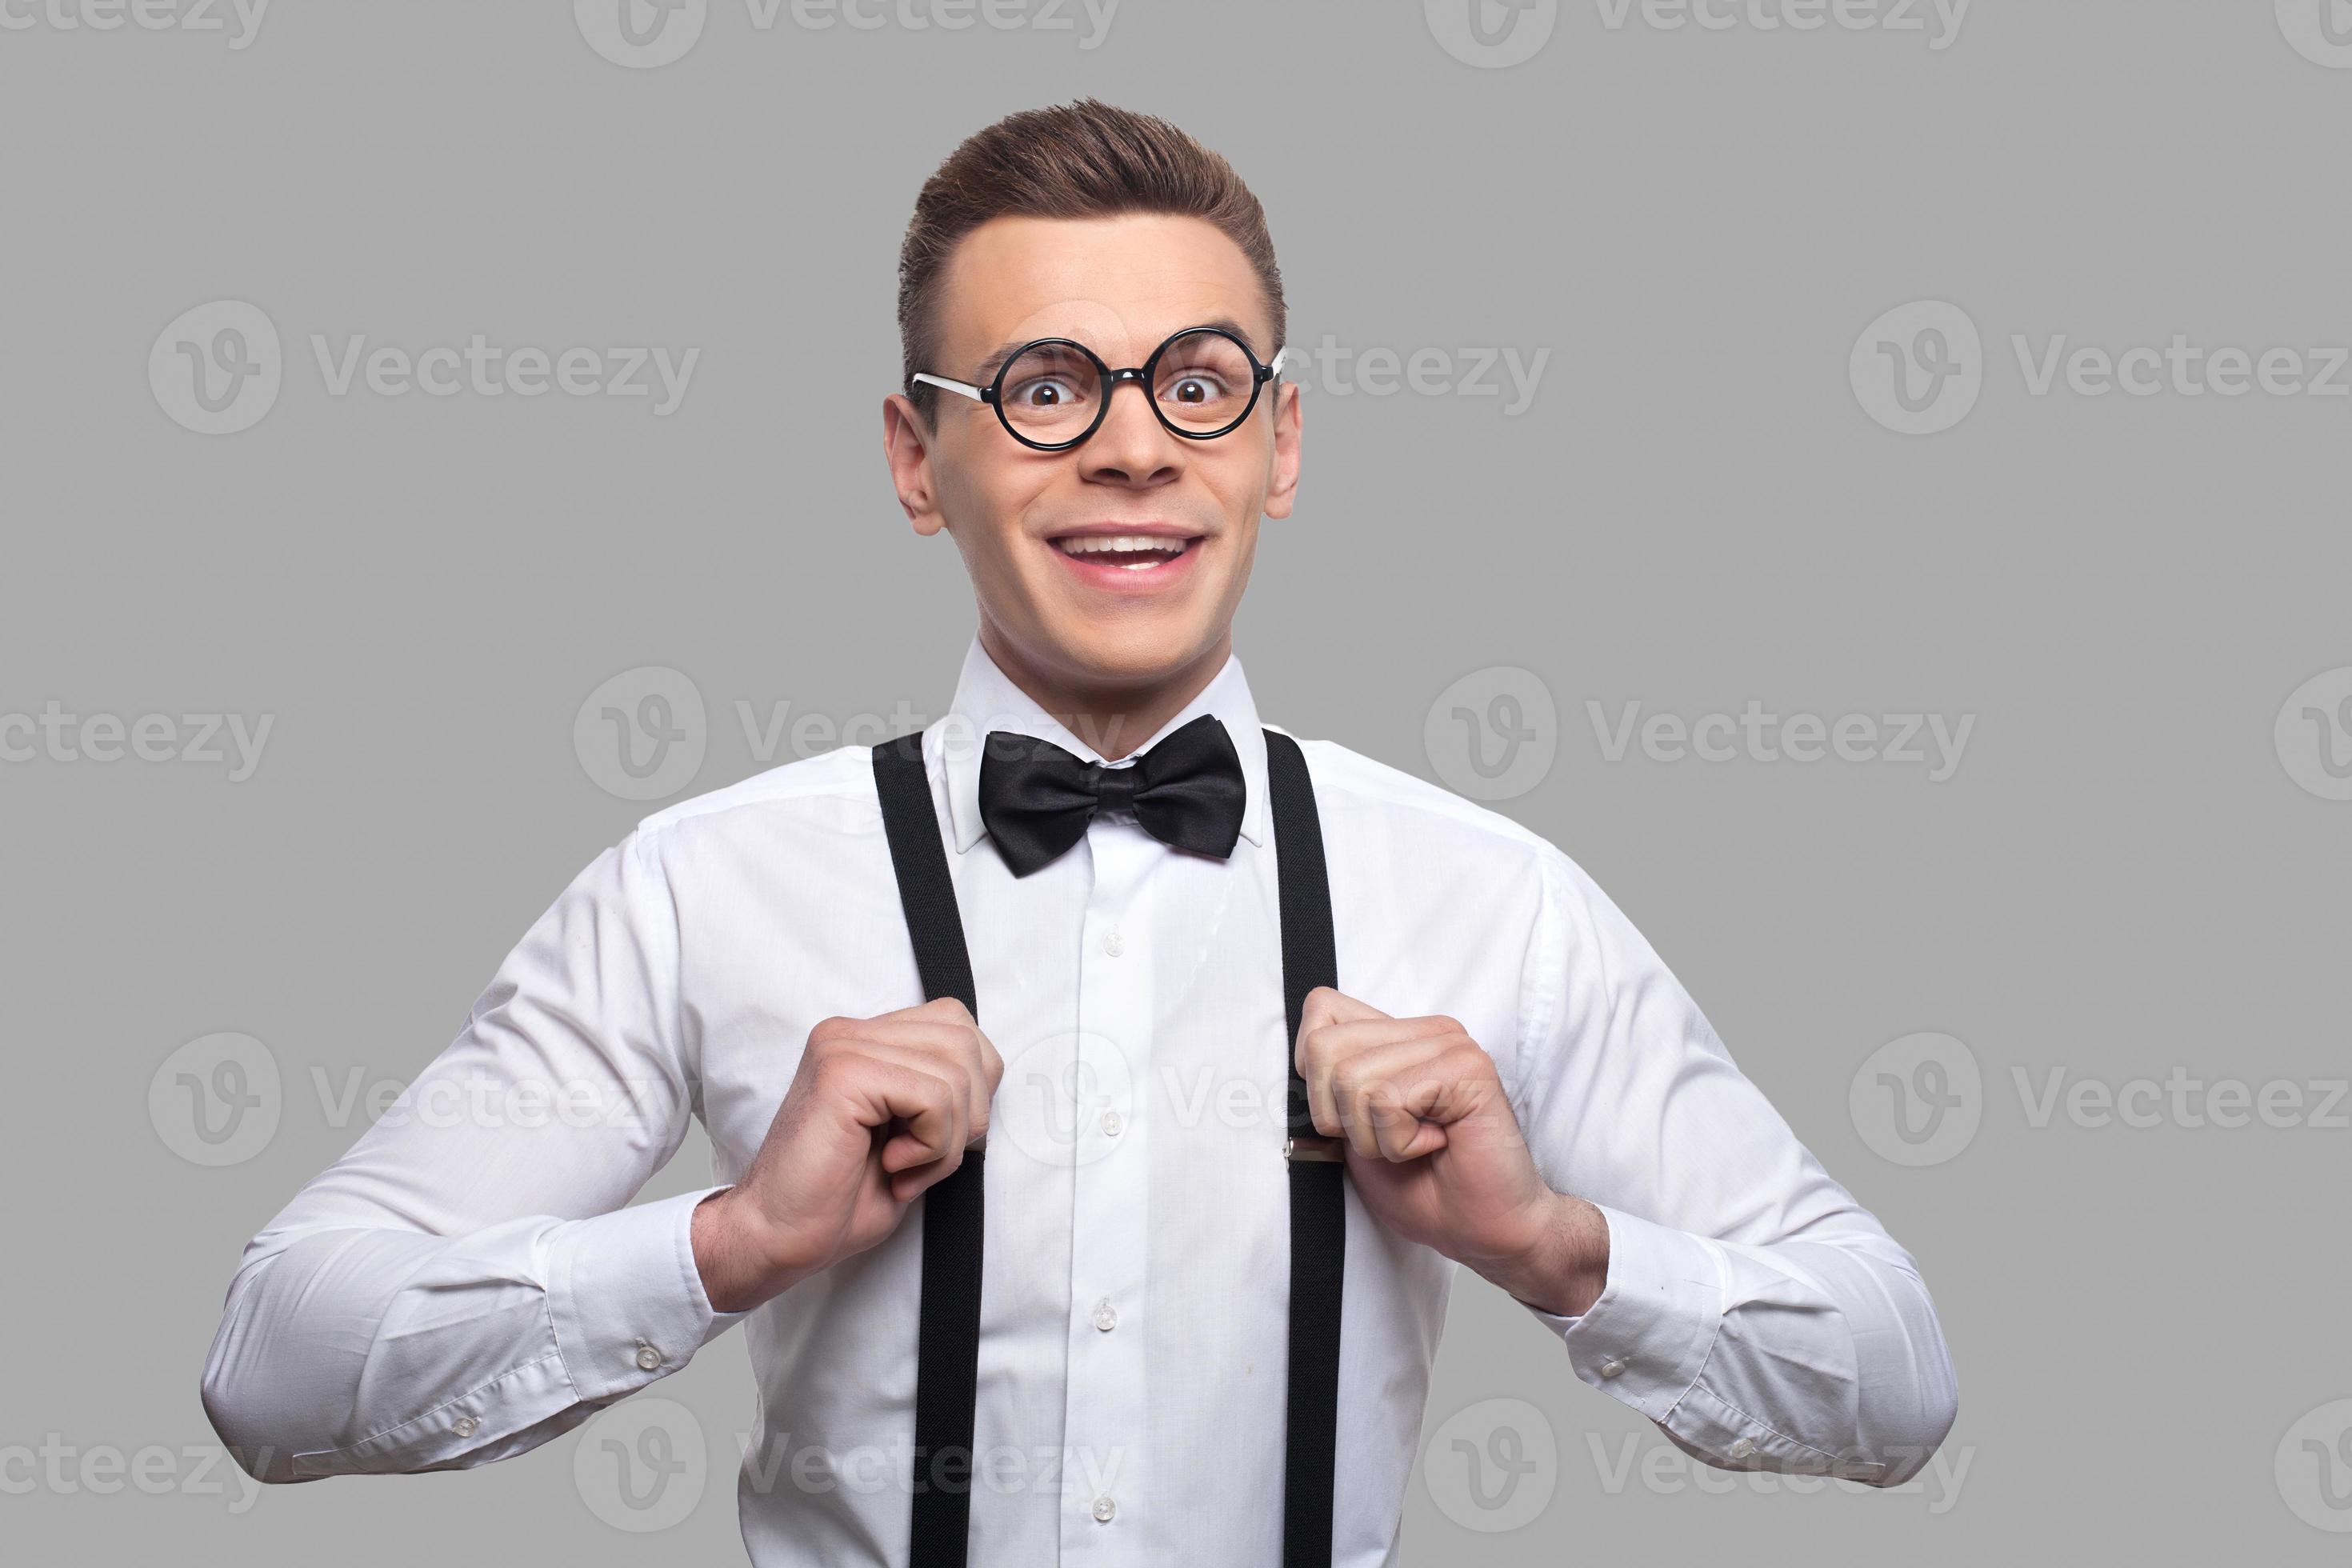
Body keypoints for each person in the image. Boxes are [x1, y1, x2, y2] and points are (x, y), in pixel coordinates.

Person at [201, 99, 1957, 1567]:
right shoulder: (700, 885)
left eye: (1197, 383)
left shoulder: (1490, 898)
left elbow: (1892, 1373)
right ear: (914, 458)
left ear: (1279, 442)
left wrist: (1553, 1245)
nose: (1130, 450)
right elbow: (278, 1363)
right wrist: (728, 1243)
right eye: (1046, 386)